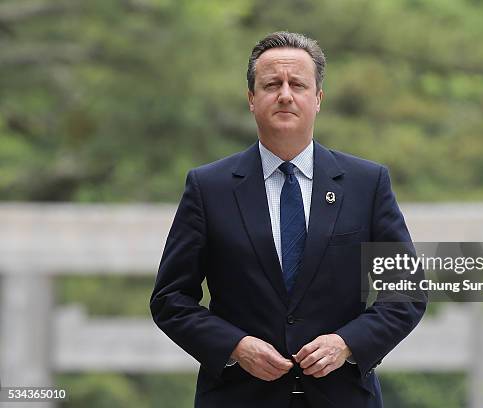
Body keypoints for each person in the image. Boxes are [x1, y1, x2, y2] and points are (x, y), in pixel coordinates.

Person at [150, 31, 426, 408]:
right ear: (251, 99)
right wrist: (235, 346)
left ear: (318, 99)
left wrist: (347, 344)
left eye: (297, 84)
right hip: (238, 397)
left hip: (341, 396)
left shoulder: (367, 183)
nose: (284, 94)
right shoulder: (208, 187)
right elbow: (170, 299)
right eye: (271, 84)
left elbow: (405, 293)